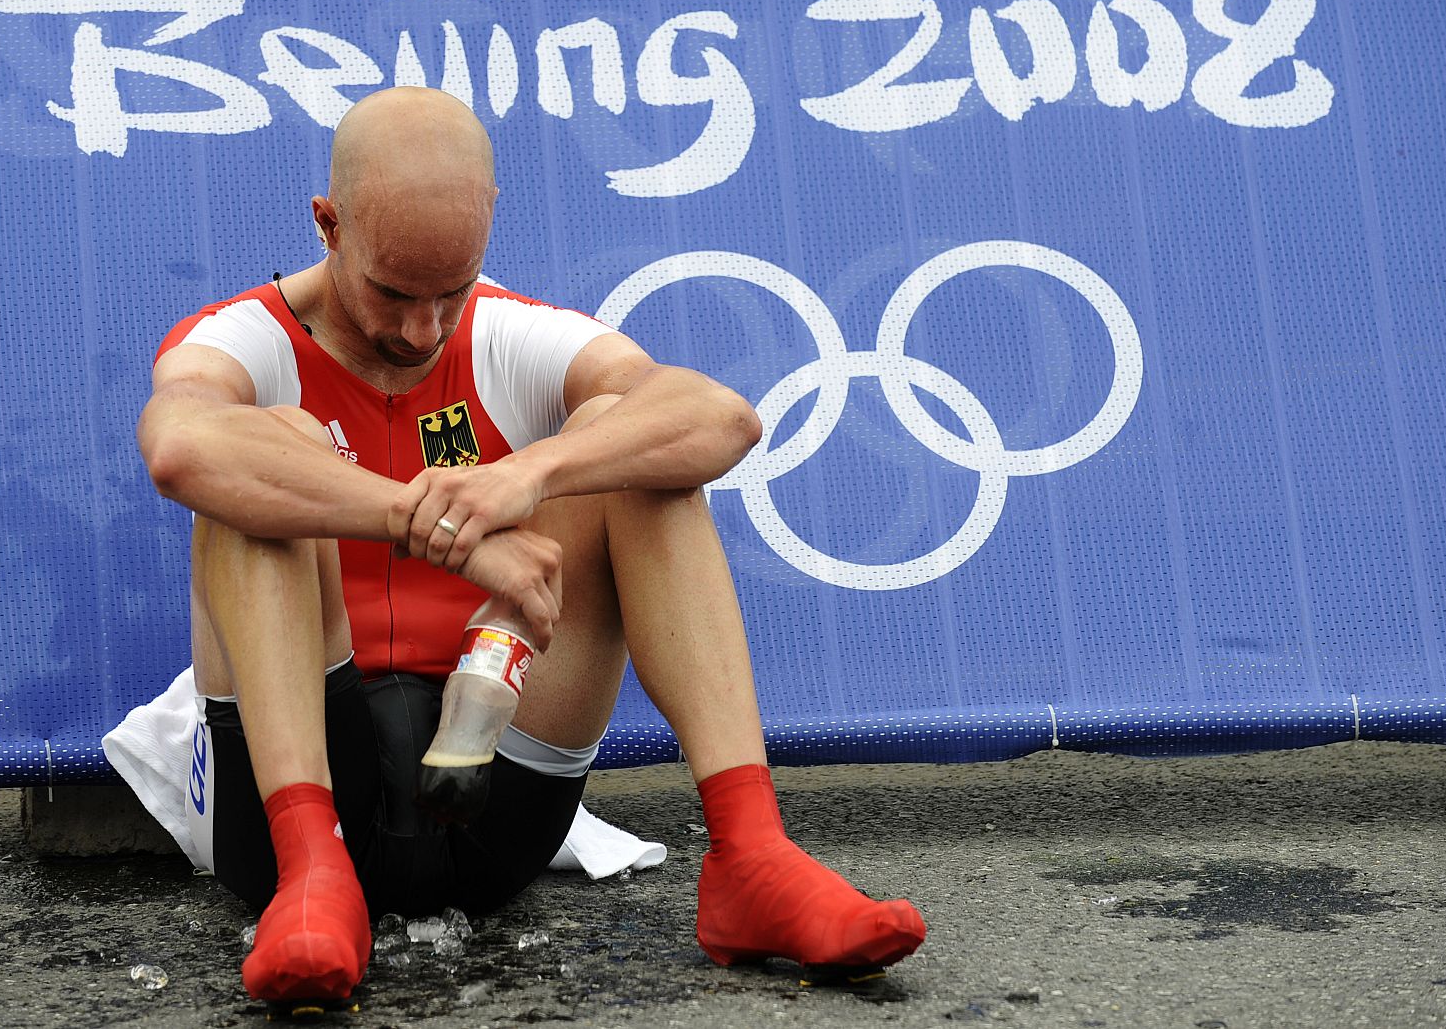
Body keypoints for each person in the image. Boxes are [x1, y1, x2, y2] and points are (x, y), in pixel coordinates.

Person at [135, 86, 925, 1003]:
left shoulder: (511, 330)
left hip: (494, 789)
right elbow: (179, 449)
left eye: (451, 292)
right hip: (288, 809)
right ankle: (314, 867)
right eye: (393, 293)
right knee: (265, 451)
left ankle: (752, 856)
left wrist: (533, 473)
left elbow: (721, 418)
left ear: (490, 221)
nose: (422, 331)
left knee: (631, 440)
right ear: (328, 224)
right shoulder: (240, 337)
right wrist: (440, 531)